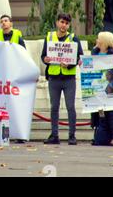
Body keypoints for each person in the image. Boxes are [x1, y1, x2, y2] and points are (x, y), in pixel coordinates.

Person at [41, 13, 83, 145]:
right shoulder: (49, 37)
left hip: (68, 78)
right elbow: (43, 56)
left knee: (71, 107)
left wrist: (70, 64)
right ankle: (54, 135)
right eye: (61, 22)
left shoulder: (73, 38)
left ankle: (72, 136)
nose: (63, 25)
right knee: (54, 107)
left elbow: (80, 58)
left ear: (68, 25)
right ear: (57, 23)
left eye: (66, 23)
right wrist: (46, 60)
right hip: (54, 77)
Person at [0, 14, 27, 144]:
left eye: (6, 21)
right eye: (1, 21)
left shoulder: (18, 37)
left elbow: (24, 54)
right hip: (1, 77)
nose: (3, 23)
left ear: (11, 23)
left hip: (15, 76)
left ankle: (19, 135)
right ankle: (3, 135)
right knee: (2, 107)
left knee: (16, 107)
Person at [91, 31, 113, 146]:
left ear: (104, 42)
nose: (97, 40)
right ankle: (99, 136)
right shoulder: (94, 53)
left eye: (98, 38)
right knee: (101, 115)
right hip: (99, 91)